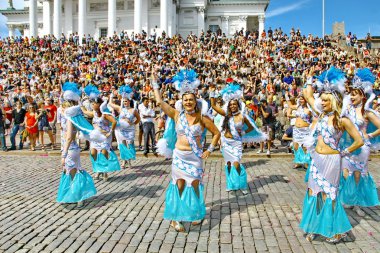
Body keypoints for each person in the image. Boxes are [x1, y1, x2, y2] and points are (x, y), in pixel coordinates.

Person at [300, 67, 364, 243]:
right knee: (314, 193)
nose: (322, 102)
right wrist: (309, 79)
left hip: (332, 161)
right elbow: (308, 95)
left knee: (330, 194)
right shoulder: (321, 114)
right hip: (317, 160)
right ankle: (314, 226)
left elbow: (359, 140)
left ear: (334, 101)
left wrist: (344, 152)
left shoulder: (342, 120)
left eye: (326, 100)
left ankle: (335, 230)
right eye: (322, 100)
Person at [153, 68, 221, 232]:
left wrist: (210, 150)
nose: (188, 102)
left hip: (195, 157)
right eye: (186, 100)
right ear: (182, 102)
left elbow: (217, 133)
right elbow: (160, 103)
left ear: (195, 101)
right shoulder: (176, 115)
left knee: (195, 186)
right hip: (179, 156)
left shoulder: (202, 118)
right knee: (180, 185)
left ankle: (195, 213)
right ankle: (175, 218)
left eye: (191, 100)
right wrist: (154, 84)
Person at [210, 83, 266, 194]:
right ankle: (231, 185)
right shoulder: (227, 114)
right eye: (230, 105)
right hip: (226, 143)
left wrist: (243, 132)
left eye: (234, 104)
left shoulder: (242, 116)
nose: (232, 106)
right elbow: (213, 106)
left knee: (236, 163)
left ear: (238, 105)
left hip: (236, 143)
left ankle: (242, 185)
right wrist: (212, 93)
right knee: (229, 165)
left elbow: (250, 127)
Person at [340, 68, 380, 216]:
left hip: (362, 147)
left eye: (355, 94)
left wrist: (369, 135)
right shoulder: (347, 109)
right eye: (351, 94)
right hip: (348, 146)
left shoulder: (366, 112)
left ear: (363, 96)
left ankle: (357, 203)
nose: (351, 97)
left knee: (357, 175)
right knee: (345, 173)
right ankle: (349, 198)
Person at [57, 82, 97, 208]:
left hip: (70, 149)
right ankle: (71, 196)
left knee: (73, 173)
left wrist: (63, 154)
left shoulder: (70, 118)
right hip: (69, 149)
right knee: (69, 173)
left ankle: (80, 197)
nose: (61, 108)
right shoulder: (68, 116)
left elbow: (69, 137)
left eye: (63, 106)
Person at [82, 85, 120, 181]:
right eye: (92, 103)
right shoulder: (93, 113)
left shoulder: (105, 114)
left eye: (94, 103)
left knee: (103, 153)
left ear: (99, 105)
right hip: (95, 137)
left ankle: (105, 172)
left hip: (104, 137)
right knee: (93, 153)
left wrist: (110, 132)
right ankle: (98, 169)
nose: (92, 105)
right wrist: (79, 103)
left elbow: (114, 122)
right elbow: (85, 112)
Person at [109, 85, 140, 169]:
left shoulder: (133, 110)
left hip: (130, 130)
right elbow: (110, 104)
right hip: (121, 130)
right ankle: (124, 161)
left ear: (129, 101)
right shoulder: (120, 108)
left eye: (127, 101)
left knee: (129, 144)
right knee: (123, 146)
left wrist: (133, 123)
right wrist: (111, 96)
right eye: (124, 102)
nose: (125, 103)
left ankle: (129, 161)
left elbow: (138, 119)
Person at [285, 93, 312, 169]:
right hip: (297, 130)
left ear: (306, 99)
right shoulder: (298, 107)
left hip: (305, 130)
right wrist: (287, 97)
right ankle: (298, 162)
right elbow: (290, 106)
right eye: (300, 99)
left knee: (305, 147)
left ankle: (306, 163)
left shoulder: (310, 109)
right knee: (296, 146)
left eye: (302, 99)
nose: (301, 100)